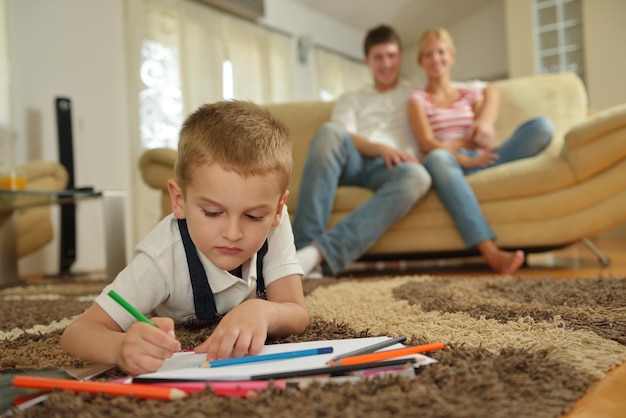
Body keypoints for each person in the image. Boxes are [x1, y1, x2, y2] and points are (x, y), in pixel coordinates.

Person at [61, 100, 309, 376]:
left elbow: (296, 312)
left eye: (252, 217)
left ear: (277, 209)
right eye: (213, 212)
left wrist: (262, 311)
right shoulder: (161, 257)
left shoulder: (275, 221)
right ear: (179, 200)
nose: (233, 233)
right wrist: (120, 347)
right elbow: (77, 332)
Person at [407, 27, 554, 273]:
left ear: (451, 56)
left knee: (542, 126)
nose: (436, 59)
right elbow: (427, 143)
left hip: (481, 160)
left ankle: (460, 177)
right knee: (438, 158)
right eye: (428, 54)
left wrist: (482, 132)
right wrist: (459, 154)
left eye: (441, 52)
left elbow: (482, 137)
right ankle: (490, 252)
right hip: (447, 164)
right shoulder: (417, 99)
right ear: (421, 62)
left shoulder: (469, 93)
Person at [292, 25, 432, 278]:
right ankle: (298, 253)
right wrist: (380, 148)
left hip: (395, 169)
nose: (386, 63)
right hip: (354, 162)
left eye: (391, 55)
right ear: (367, 60)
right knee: (330, 131)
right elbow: (345, 134)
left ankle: (315, 256)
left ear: (400, 56)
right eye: (379, 57)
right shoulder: (352, 98)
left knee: (419, 177)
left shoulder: (417, 92)